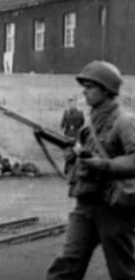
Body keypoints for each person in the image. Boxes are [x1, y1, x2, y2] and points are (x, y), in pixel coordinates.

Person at [46, 60, 135, 280]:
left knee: (123, 272)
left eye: (90, 87)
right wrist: (75, 158)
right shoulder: (90, 125)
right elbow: (88, 156)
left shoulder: (124, 122)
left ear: (106, 90)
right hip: (85, 204)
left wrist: (105, 165)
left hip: (113, 208)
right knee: (66, 266)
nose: (84, 92)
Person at [60, 97, 86, 176]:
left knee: (77, 151)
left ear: (76, 104)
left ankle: (76, 170)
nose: (71, 105)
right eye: (70, 103)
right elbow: (62, 124)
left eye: (73, 103)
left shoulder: (80, 112)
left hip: (77, 134)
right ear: (68, 104)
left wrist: (78, 129)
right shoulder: (66, 112)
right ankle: (67, 170)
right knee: (68, 151)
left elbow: (82, 122)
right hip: (68, 134)